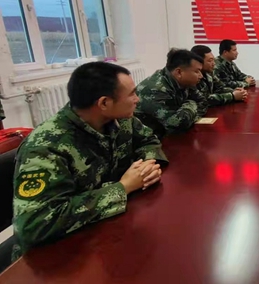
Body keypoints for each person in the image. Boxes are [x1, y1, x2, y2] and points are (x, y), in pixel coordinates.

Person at [12, 62, 168, 257]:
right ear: (104, 103)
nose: (137, 99)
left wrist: (146, 166)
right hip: (56, 257)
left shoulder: (121, 118)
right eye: (131, 94)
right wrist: (123, 188)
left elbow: (149, 140)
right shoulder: (46, 147)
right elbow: (35, 225)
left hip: (109, 232)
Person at [135, 49, 208, 138]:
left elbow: (203, 102)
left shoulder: (185, 82)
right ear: (179, 72)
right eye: (197, 71)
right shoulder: (155, 90)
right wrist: (191, 103)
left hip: (168, 135)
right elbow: (177, 125)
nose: (201, 76)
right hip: (150, 138)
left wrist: (189, 118)